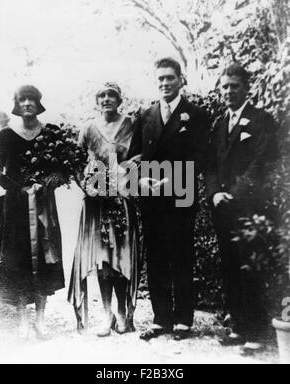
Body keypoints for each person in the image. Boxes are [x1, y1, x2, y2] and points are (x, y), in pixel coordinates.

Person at [128, 58, 210, 341]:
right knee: (157, 258)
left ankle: (183, 320)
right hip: (152, 199)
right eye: (160, 79)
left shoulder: (195, 114)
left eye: (170, 78)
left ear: (180, 79)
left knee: (182, 255)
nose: (165, 83)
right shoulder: (146, 115)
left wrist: (173, 179)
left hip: (180, 195)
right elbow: (132, 157)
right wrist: (139, 178)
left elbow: (202, 156)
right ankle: (161, 318)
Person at [205, 63, 278, 354]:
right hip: (222, 209)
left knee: (250, 268)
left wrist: (232, 194)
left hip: (250, 209)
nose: (229, 91)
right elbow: (209, 165)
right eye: (224, 87)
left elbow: (261, 164)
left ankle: (256, 332)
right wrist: (214, 194)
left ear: (246, 87)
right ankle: (238, 326)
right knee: (230, 267)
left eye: (234, 86)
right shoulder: (218, 124)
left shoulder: (262, 121)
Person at [0, 85, 65, 340]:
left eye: (31, 99)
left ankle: (41, 321)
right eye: (22, 99)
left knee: (45, 258)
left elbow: (62, 169)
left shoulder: (51, 133)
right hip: (16, 208)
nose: (27, 103)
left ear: (38, 103)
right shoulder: (6, 135)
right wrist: (19, 188)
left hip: (44, 205)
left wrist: (47, 183)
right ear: (17, 104)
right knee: (20, 259)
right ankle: (23, 321)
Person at [68, 82, 141, 337]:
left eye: (112, 95)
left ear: (119, 99)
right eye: (102, 95)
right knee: (102, 258)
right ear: (96, 101)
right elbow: (74, 162)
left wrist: (128, 168)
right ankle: (106, 313)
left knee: (120, 254)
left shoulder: (131, 123)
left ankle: (122, 313)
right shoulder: (88, 127)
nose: (107, 99)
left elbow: (143, 154)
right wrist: (86, 187)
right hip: (97, 199)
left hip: (121, 195)